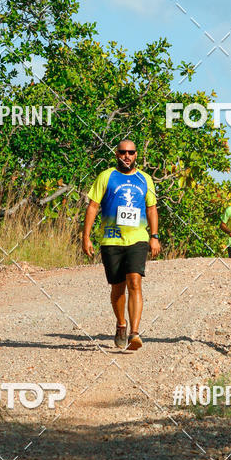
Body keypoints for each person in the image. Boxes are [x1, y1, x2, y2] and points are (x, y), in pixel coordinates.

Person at [82, 140, 160, 350]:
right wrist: (86, 236)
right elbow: (93, 206)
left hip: (137, 238)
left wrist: (154, 236)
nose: (127, 156)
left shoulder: (144, 179)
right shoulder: (106, 176)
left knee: (135, 281)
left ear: (136, 155)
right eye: (123, 152)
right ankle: (121, 325)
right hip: (111, 239)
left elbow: (151, 208)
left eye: (131, 152)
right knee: (118, 288)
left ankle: (134, 333)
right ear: (116, 154)